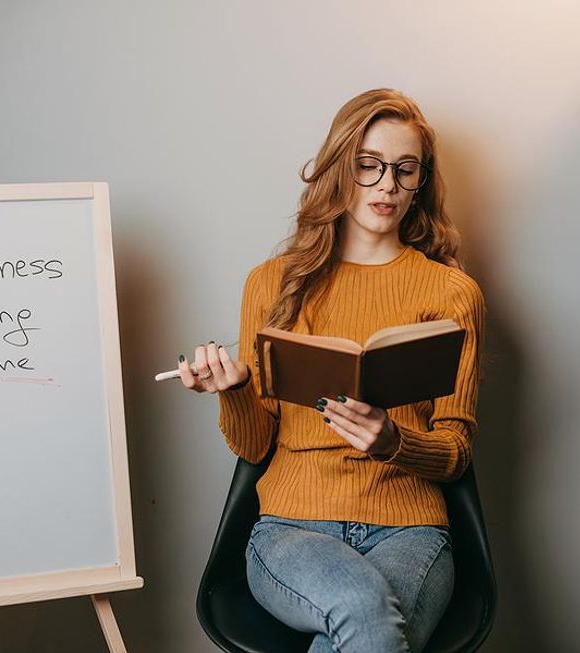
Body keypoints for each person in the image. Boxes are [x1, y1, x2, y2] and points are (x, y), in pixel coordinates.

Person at [177, 88, 486, 653]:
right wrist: (238, 389)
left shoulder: (452, 293)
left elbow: (457, 450)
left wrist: (394, 441)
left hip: (413, 532)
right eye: (368, 166)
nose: (386, 185)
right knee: (364, 612)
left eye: (404, 169)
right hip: (293, 529)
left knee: (363, 632)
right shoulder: (271, 284)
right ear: (341, 169)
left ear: (421, 182)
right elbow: (252, 447)